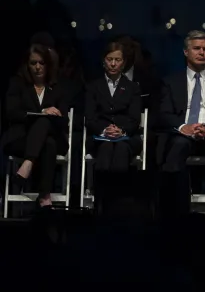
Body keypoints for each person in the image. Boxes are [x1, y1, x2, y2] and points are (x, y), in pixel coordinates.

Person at [157, 30, 205, 216]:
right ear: (186, 52)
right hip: (183, 133)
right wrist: (184, 127)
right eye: (196, 48)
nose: (201, 52)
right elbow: (163, 114)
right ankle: (175, 205)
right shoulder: (170, 82)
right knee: (177, 145)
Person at [2, 44, 71, 207]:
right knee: (47, 139)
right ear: (27, 65)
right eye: (33, 63)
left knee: (47, 133)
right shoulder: (17, 85)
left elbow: (64, 119)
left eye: (41, 63)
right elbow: (11, 113)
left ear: (48, 65)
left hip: (52, 136)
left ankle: (27, 164)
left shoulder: (57, 88)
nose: (37, 67)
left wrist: (51, 114)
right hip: (21, 138)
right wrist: (41, 112)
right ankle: (45, 197)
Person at [83, 41, 144, 175]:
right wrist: (105, 130)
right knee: (106, 147)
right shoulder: (93, 87)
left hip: (126, 137)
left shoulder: (132, 88)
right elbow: (90, 118)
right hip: (99, 137)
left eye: (117, 60)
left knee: (121, 148)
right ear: (103, 61)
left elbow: (134, 119)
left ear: (123, 63)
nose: (113, 64)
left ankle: (118, 193)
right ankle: (102, 193)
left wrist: (121, 131)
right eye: (109, 59)